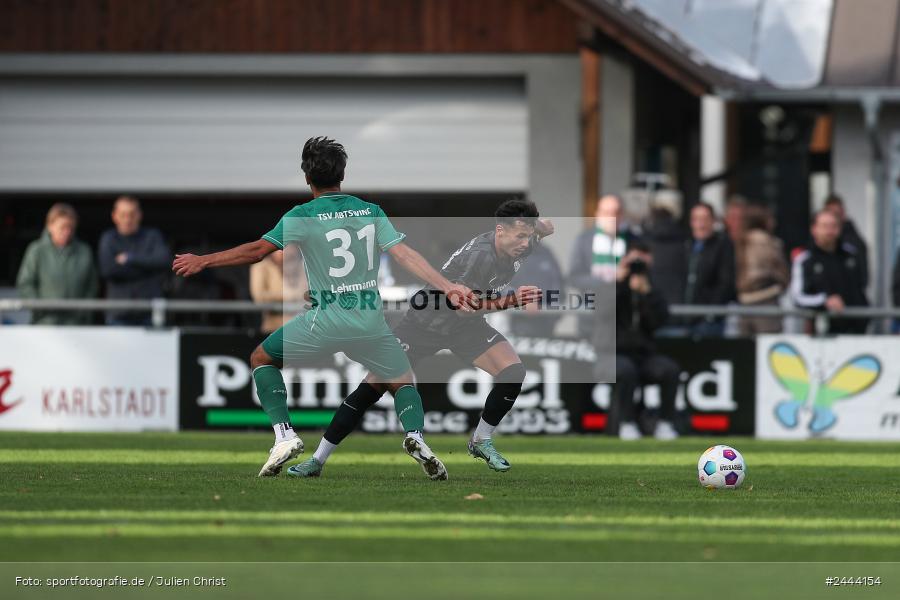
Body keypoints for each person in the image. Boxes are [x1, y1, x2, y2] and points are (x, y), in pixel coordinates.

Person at [173, 136, 474, 479]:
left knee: (261, 358)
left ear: (307, 177)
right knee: (403, 380)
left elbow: (257, 251)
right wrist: (448, 286)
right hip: (369, 322)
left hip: (325, 321)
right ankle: (415, 437)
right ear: (342, 174)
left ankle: (284, 436)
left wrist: (204, 260)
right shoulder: (370, 211)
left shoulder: (302, 215)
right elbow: (404, 255)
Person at [288, 199, 552, 478]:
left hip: (466, 328)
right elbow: (464, 308)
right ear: (500, 230)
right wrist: (512, 300)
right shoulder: (480, 257)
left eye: (528, 236)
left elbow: (545, 228)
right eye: (519, 236)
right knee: (371, 388)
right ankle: (316, 460)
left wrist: (539, 228)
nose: (525, 243)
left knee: (513, 372)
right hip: (426, 323)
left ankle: (481, 440)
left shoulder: (523, 242)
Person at [611, 240, 680, 440]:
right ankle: (626, 423)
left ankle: (666, 423)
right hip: (615, 353)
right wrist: (619, 283)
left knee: (670, 370)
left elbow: (658, 321)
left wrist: (646, 294)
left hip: (644, 355)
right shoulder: (614, 285)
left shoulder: (652, 287)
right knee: (626, 371)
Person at [16, 203, 98, 325]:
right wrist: (40, 309)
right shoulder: (36, 250)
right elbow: (25, 284)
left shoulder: (84, 251)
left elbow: (92, 286)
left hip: (77, 324)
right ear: (50, 226)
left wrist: (82, 312)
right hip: (44, 323)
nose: (67, 232)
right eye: (62, 227)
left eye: (70, 228)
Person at [791, 209, 869, 334]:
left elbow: (861, 287)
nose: (830, 231)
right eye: (824, 226)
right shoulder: (805, 260)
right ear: (814, 229)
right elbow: (798, 298)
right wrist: (824, 301)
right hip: (821, 334)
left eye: (833, 226)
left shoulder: (851, 255)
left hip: (855, 330)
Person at [97, 196, 171, 325]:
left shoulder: (152, 236)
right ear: (114, 216)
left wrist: (130, 258)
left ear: (139, 215)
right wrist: (149, 269)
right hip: (118, 315)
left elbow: (164, 261)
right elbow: (108, 270)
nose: (127, 219)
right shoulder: (108, 238)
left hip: (150, 314)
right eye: (123, 215)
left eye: (132, 214)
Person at [682, 202, 736, 336]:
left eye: (705, 219)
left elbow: (726, 282)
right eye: (696, 219)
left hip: (709, 320)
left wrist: (711, 313)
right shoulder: (686, 244)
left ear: (713, 221)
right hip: (684, 316)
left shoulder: (723, 245)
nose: (700, 224)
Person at [735, 204, 789, 335]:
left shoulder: (740, 241)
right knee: (767, 343)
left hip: (744, 300)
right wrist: (781, 284)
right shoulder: (770, 242)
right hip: (767, 298)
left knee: (746, 344)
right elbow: (781, 272)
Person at [508, 241, 563, 338]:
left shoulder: (546, 253)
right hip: (519, 323)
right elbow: (501, 286)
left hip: (546, 323)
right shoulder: (510, 254)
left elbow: (558, 285)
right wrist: (523, 301)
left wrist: (554, 315)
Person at [249, 246, 309, 333]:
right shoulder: (261, 267)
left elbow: (307, 294)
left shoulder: (301, 266)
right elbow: (259, 297)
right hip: (273, 327)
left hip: (299, 328)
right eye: (281, 247)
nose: (285, 251)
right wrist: (288, 296)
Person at [823, 194, 869, 288]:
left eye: (836, 215)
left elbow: (863, 278)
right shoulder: (817, 242)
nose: (832, 219)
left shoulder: (854, 243)